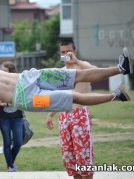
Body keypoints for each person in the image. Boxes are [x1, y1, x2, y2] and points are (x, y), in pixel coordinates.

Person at [0, 7, 132, 152]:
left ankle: (120, 68)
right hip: (29, 99)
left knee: (75, 75)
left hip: (30, 77)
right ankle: (115, 96)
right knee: (73, 97)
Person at [46, 40, 95, 179]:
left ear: (75, 51)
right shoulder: (60, 72)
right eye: (63, 52)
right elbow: (59, 97)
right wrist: (50, 115)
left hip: (80, 114)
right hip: (64, 115)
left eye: (69, 51)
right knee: (69, 157)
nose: (66, 54)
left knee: (83, 155)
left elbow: (94, 69)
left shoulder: (83, 68)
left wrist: (76, 61)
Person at [0, 61, 24, 172]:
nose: (1, 72)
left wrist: (10, 101)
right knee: (7, 142)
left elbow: (22, 99)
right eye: (1, 70)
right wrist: (9, 102)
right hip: (3, 117)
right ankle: (10, 166)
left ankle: (11, 162)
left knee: (18, 142)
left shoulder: (19, 82)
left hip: (17, 116)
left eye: (4, 70)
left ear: (10, 72)